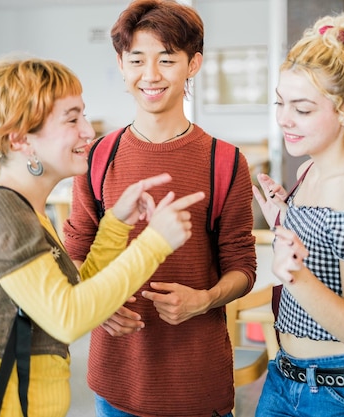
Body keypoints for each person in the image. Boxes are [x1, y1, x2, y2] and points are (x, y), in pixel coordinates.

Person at [0, 56, 205, 417]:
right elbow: (66, 318)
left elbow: (74, 293)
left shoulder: (24, 210)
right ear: (20, 139)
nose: (88, 130)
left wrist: (116, 224)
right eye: (72, 119)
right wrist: (155, 243)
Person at [62, 1, 257, 416]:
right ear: (121, 64)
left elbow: (242, 266)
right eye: (137, 60)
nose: (150, 75)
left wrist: (204, 300)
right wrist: (96, 303)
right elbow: (75, 249)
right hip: (116, 380)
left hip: (197, 382)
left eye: (167, 59)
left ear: (193, 64)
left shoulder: (224, 161)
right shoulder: (96, 156)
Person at [251, 12, 344, 417]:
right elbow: (323, 249)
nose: (284, 119)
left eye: (302, 109)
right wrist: (285, 218)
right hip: (285, 374)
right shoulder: (308, 170)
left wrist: (295, 275)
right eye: (281, 103)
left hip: (340, 388)